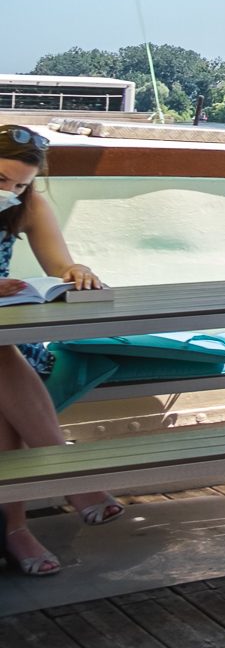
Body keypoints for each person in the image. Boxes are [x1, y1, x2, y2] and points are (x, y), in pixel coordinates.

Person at [0, 125, 121, 576]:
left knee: (0, 367)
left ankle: (15, 531)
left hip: (5, 346)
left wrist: (78, 272)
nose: (10, 191)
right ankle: (72, 479)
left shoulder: (25, 205)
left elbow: (60, 264)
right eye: (1, 180)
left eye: (20, 185)